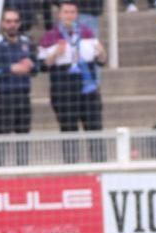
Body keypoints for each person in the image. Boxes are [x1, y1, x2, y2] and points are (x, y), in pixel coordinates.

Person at [39, 1, 108, 163]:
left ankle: (99, 165)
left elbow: (100, 61)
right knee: (69, 130)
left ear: (76, 15)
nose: (69, 16)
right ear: (59, 14)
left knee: (95, 129)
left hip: (88, 90)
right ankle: (71, 167)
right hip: (63, 89)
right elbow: (41, 66)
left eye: (72, 12)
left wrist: (103, 54)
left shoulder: (87, 33)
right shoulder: (50, 36)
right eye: (66, 12)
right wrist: (55, 53)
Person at [0, 8, 39, 166]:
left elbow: (37, 68)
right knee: (2, 137)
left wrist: (30, 66)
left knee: (23, 137)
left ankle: (23, 169)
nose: (12, 25)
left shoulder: (27, 43)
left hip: (23, 96)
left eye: (15, 21)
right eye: (8, 21)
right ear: (3, 24)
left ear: (19, 23)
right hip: (4, 97)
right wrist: (10, 69)